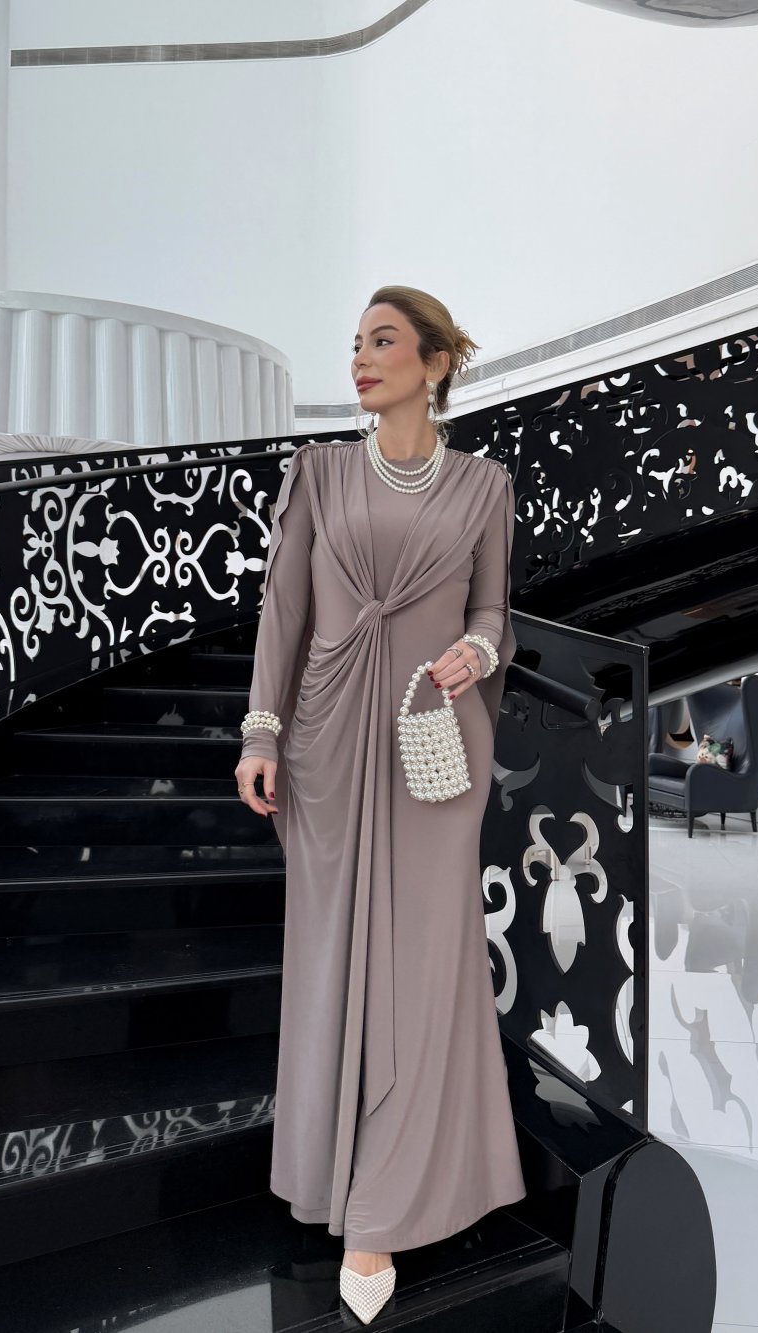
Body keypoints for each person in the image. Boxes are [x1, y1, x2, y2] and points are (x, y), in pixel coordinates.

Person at [234, 285, 526, 1324]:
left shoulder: (484, 486)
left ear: (436, 362)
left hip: (433, 741)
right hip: (324, 739)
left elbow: (493, 609)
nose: (360, 358)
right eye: (356, 343)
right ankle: (330, 1169)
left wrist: (478, 649)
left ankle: (383, 1208)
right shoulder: (317, 472)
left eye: (384, 341)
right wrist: (261, 730)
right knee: (330, 960)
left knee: (423, 968)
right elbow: (283, 610)